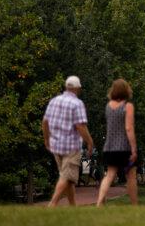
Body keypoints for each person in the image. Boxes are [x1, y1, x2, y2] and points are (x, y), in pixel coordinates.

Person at [43, 76, 95, 207]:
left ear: (66, 87)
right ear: (78, 88)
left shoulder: (54, 101)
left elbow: (45, 122)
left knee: (69, 179)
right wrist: (89, 142)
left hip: (56, 145)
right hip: (71, 146)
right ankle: (52, 204)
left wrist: (46, 139)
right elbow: (80, 126)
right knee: (66, 177)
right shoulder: (77, 104)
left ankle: (73, 207)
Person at [96, 78, 138, 206]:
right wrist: (134, 148)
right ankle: (134, 205)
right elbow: (129, 128)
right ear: (126, 90)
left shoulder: (108, 106)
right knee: (130, 176)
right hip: (124, 147)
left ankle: (99, 202)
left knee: (109, 175)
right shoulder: (128, 106)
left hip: (109, 146)